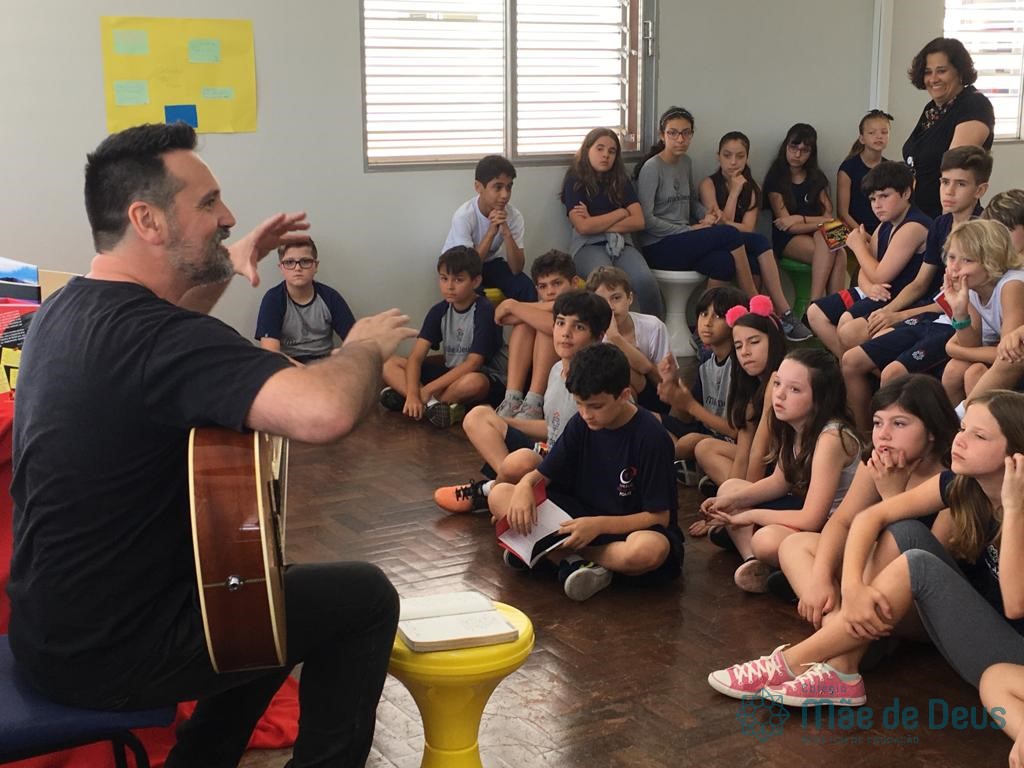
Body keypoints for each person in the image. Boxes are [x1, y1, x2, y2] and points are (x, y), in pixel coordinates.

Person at [7, 122, 417, 768]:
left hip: (49, 633)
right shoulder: (159, 342)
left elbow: (167, 332)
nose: (227, 216)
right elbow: (325, 412)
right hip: (114, 654)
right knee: (363, 598)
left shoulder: (63, 311)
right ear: (146, 220)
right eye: (207, 203)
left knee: (252, 598)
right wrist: (363, 346)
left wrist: (231, 258)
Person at [708, 390, 1024, 708]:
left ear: (1016, 454)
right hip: (972, 625)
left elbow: (1014, 605)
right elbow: (867, 518)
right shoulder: (960, 485)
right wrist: (853, 588)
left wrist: (1014, 510)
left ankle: (789, 663)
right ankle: (842, 666)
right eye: (963, 428)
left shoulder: (1016, 508)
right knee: (907, 532)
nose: (961, 440)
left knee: (918, 563)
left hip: (1011, 662)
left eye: (979, 436)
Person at [487, 342, 682, 601]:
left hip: (625, 527)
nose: (586, 414)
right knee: (500, 494)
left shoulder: (652, 437)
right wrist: (525, 486)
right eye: (579, 404)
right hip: (578, 516)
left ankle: (560, 556)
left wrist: (598, 526)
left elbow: (659, 517)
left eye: (596, 406)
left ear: (624, 395)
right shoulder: (580, 422)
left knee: (648, 550)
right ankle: (574, 562)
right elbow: (544, 473)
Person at [777, 374, 958, 623]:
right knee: (793, 545)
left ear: (932, 431)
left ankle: (839, 629)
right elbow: (842, 522)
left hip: (920, 601)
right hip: (868, 579)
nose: (883, 434)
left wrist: (891, 495)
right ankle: (836, 622)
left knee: (894, 542)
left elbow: (924, 564)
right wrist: (820, 579)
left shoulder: (952, 481)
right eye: (877, 423)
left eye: (899, 424)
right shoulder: (877, 460)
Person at [840, 146, 992, 430]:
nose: (949, 191)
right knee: (851, 360)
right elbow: (921, 282)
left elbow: (963, 300)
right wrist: (890, 311)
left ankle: (908, 437)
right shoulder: (941, 224)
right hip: (932, 311)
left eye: (961, 184)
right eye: (945, 182)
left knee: (892, 373)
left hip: (958, 321)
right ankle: (863, 436)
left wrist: (899, 314)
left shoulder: (984, 231)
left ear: (980, 189)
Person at [432, 290, 610, 513]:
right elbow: (553, 427)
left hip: (569, 470)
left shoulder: (598, 385)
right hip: (549, 454)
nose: (566, 333)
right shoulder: (556, 370)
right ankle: (507, 488)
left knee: (522, 460)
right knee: (478, 416)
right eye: (560, 323)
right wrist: (504, 422)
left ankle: (490, 491)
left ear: (598, 337)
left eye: (579, 327)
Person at [702, 348, 861, 593]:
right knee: (730, 488)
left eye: (795, 389)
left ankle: (782, 565)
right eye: (777, 384)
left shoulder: (831, 438)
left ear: (820, 398)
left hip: (835, 530)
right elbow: (779, 482)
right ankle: (754, 563)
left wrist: (751, 516)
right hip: (810, 516)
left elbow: (811, 518)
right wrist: (731, 502)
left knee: (765, 541)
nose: (780, 395)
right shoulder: (792, 424)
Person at [805, 161, 930, 359]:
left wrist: (858, 246)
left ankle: (855, 367)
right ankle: (849, 366)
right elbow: (865, 269)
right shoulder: (885, 225)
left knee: (847, 328)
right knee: (815, 313)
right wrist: (868, 286)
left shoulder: (914, 226)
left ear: (906, 193)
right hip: (880, 292)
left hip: (903, 299)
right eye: (873, 199)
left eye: (884, 196)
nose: (877, 205)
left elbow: (880, 275)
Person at [698, 130, 812, 341]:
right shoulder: (708, 184)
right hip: (713, 242)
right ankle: (780, 313)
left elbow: (747, 227)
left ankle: (753, 323)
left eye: (740, 156)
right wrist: (734, 192)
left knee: (754, 262)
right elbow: (721, 229)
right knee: (760, 241)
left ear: (747, 158)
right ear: (718, 156)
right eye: (727, 155)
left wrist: (728, 218)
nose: (733, 162)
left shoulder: (753, 187)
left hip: (741, 244)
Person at [635, 107, 757, 297]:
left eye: (686, 133)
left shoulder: (686, 162)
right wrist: (689, 230)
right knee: (730, 234)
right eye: (673, 133)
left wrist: (707, 215)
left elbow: (691, 201)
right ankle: (754, 300)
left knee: (724, 262)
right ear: (662, 135)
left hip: (684, 240)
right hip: (658, 246)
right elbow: (646, 220)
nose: (680, 139)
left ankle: (705, 314)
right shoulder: (652, 168)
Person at [380, 245, 503, 428]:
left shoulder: (484, 310)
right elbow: (416, 357)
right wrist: (413, 393)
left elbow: (473, 364)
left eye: (458, 280)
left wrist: (428, 389)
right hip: (449, 374)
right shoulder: (439, 311)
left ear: (476, 281)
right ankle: (430, 405)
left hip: (480, 377)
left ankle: (418, 402)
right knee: (389, 364)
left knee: (473, 382)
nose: (449, 286)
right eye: (444, 279)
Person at [692, 296, 788, 500]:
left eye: (754, 342)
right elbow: (745, 452)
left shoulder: (782, 379)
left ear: (774, 341)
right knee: (705, 447)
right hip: (765, 463)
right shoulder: (747, 385)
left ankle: (744, 496)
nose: (745, 352)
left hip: (788, 471)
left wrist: (740, 501)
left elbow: (760, 453)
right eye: (738, 346)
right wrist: (728, 499)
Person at [561, 128, 663, 317]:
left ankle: (655, 329)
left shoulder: (621, 180)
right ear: (588, 149)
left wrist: (595, 222)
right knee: (606, 284)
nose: (605, 155)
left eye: (612, 151)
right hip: (587, 246)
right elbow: (583, 227)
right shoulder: (575, 180)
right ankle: (605, 332)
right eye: (600, 149)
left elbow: (639, 221)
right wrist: (621, 212)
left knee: (646, 281)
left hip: (621, 243)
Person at [657, 286, 747, 478]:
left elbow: (736, 431)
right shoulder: (706, 361)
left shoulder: (741, 365)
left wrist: (689, 405)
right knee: (650, 420)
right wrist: (674, 384)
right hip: (706, 431)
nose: (707, 322)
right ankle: (688, 467)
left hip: (730, 441)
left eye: (718, 316)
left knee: (689, 442)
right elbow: (688, 417)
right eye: (704, 314)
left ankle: (679, 467)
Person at [902, 37, 995, 219]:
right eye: (928, 72)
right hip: (919, 214)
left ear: (960, 72)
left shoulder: (974, 105)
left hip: (949, 217)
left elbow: (956, 170)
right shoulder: (932, 109)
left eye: (941, 71)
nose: (933, 79)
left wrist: (944, 227)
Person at [941, 219, 1024, 405]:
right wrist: (960, 312)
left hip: (1015, 360)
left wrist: (956, 350)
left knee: (974, 372)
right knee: (955, 369)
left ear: (992, 262)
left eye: (967, 260)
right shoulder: (972, 286)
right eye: (952, 257)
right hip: (1006, 356)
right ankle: (952, 421)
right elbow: (971, 343)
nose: (955, 267)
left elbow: (1009, 356)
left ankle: (966, 418)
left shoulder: (1012, 285)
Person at [763, 123, 845, 301]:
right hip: (789, 238)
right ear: (786, 146)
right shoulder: (776, 178)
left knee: (840, 248)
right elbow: (787, 226)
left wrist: (799, 218)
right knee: (835, 251)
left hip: (818, 231)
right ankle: (817, 304)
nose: (797, 155)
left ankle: (830, 308)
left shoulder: (817, 177)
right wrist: (820, 222)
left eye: (804, 150)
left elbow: (830, 218)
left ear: (811, 153)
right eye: (793, 148)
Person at [493, 249, 577, 420]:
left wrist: (512, 305)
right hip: (538, 368)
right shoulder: (541, 304)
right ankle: (512, 399)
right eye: (543, 286)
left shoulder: (584, 302)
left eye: (557, 283)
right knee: (524, 323)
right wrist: (515, 307)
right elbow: (501, 316)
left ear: (574, 283)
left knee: (547, 328)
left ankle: (534, 404)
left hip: (576, 365)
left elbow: (556, 328)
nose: (550, 291)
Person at [443, 154, 537, 302]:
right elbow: (468, 268)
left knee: (525, 287)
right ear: (478, 187)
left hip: (491, 263)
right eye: (498, 187)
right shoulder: (464, 216)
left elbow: (516, 269)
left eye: (509, 187)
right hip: (458, 267)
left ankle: (529, 318)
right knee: (474, 293)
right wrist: (491, 232)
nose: (505, 195)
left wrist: (506, 232)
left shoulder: (514, 216)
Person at [585, 266, 672, 414]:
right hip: (605, 401)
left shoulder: (653, 326)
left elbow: (668, 384)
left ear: (629, 298)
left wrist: (615, 338)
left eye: (616, 298)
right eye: (601, 301)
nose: (610, 307)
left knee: (624, 369)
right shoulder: (589, 332)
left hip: (655, 399)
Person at [255, 238, 355, 363]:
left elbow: (355, 342)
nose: (297, 268)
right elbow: (271, 353)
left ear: (315, 266)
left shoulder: (330, 297)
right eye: (289, 262)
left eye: (305, 261)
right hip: (288, 365)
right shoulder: (273, 299)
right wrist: (305, 372)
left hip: (325, 364)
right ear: (281, 268)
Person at [837, 110, 894, 235]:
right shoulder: (848, 169)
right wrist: (866, 237)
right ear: (862, 138)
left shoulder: (891, 169)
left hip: (883, 232)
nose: (879, 136)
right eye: (872, 132)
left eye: (884, 132)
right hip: (855, 232)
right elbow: (843, 214)